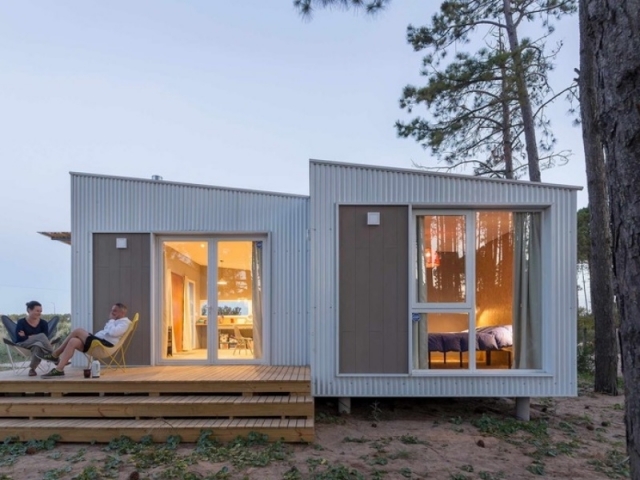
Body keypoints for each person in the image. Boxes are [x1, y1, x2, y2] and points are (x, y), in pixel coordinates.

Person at [39, 303, 131, 378]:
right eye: (112, 310)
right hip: (97, 343)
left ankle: (55, 354)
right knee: (73, 341)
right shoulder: (115, 321)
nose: (112, 312)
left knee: (78, 331)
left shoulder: (125, 322)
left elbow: (113, 333)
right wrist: (112, 321)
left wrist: (111, 320)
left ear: (122, 313)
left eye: (115, 310)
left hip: (104, 345)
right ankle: (59, 369)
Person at [14, 301, 52, 376]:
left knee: (38, 344)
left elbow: (46, 337)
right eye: (37, 311)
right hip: (23, 344)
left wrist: (28, 336)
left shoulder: (43, 323)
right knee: (41, 336)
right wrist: (33, 337)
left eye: (40, 311)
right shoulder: (21, 322)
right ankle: (53, 356)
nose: (39, 313)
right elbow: (19, 338)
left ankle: (32, 369)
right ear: (29, 310)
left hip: (39, 344)